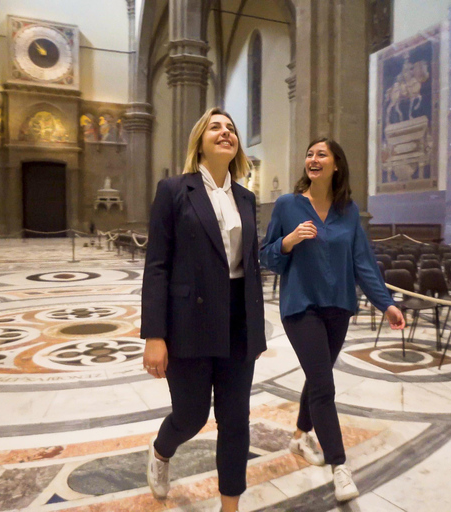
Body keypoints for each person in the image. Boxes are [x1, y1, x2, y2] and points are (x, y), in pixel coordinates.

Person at [260, 137, 405, 502]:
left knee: (317, 375)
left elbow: (363, 263)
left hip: (338, 306)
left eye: (321, 154)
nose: (313, 158)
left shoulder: (349, 211)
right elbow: (266, 256)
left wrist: (385, 303)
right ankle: (340, 466)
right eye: (309, 154)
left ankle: (299, 437)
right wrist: (288, 241)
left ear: (336, 164)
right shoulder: (288, 206)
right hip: (300, 307)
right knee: (325, 385)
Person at [141, 107, 266, 512]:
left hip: (238, 322)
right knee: (191, 416)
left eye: (231, 128)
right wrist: (154, 335)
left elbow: (249, 264)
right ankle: (161, 451)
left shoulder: (246, 198)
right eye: (215, 127)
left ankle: (230, 506)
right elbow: (157, 265)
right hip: (189, 322)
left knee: (235, 421)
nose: (225, 132)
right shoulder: (174, 190)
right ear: (200, 140)